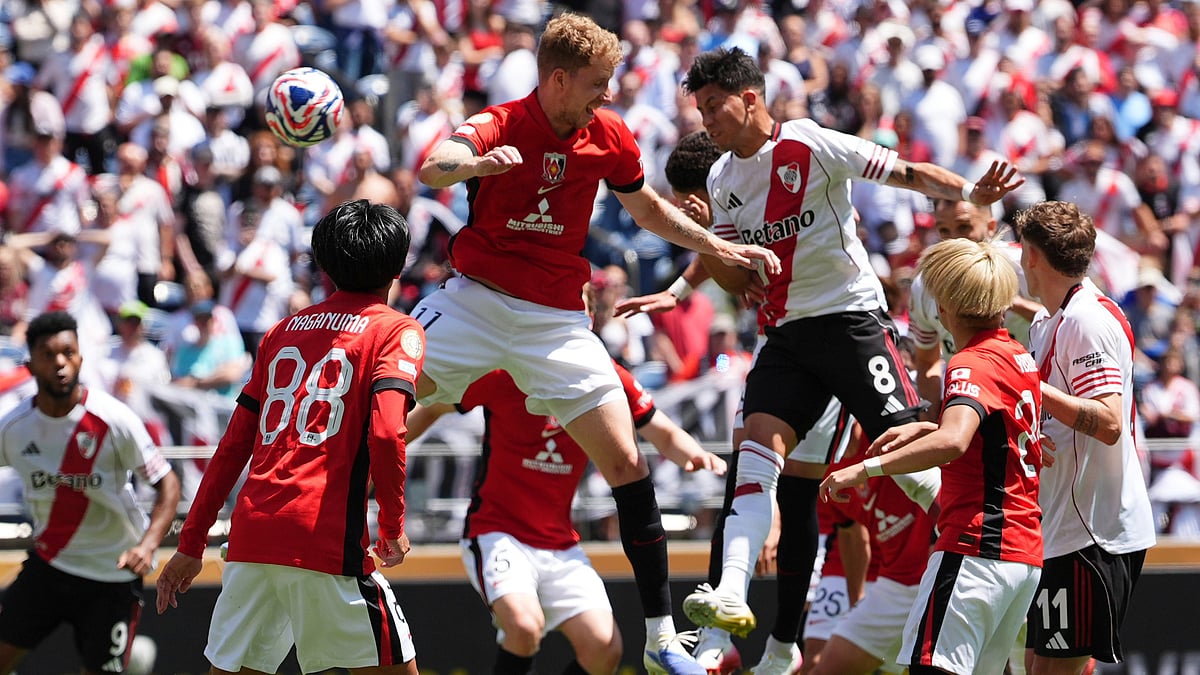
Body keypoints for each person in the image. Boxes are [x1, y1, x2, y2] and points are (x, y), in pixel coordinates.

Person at [414, 14, 780, 673]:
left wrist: (715, 244)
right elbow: (433, 164)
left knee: (628, 465)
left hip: (556, 322)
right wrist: (471, 163)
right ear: (557, 80)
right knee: (376, 394)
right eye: (596, 83)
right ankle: (327, 521)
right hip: (473, 302)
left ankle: (660, 633)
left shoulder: (609, 134)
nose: (607, 94)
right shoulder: (502, 122)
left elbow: (647, 210)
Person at [676, 46, 1022, 653]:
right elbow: (735, 280)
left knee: (915, 450)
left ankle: (989, 548)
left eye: (713, 107)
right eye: (700, 110)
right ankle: (730, 594)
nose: (707, 121)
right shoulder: (721, 178)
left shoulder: (811, 144)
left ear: (749, 98)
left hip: (852, 323)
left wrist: (971, 189)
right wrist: (717, 246)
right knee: (755, 453)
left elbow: (910, 175)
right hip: (785, 336)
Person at [155, 200, 424, 675]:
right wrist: (393, 527)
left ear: (322, 263)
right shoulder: (396, 331)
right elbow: (386, 433)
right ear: (400, 263)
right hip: (325, 541)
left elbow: (233, 446)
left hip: (253, 535)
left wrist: (191, 543)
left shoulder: (281, 331)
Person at [406, 347, 726, 674]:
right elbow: (433, 408)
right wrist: (383, 447)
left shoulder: (605, 373)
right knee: (524, 627)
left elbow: (662, 430)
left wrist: (697, 454)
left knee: (605, 650)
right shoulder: (502, 370)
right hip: (496, 532)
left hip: (561, 543)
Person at [821, 236, 1044, 675]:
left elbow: (954, 442)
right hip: (1022, 554)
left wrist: (864, 468)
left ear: (943, 308)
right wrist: (930, 426)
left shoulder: (969, 362)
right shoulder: (1018, 355)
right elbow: (990, 436)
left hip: (976, 547)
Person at [1015, 201, 1156, 675]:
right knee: (1036, 666)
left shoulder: (1084, 322)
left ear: (1032, 256)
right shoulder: (1056, 316)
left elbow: (1109, 421)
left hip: (1091, 532)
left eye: (1021, 250)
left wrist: (1030, 385)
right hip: (1063, 527)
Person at [0, 310, 181, 675]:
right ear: (31, 364)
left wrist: (147, 545)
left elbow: (168, 484)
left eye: (68, 353)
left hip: (112, 575)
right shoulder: (14, 427)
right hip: (49, 566)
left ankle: (131, 657)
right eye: (49, 355)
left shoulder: (114, 420)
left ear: (81, 357)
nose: (60, 363)